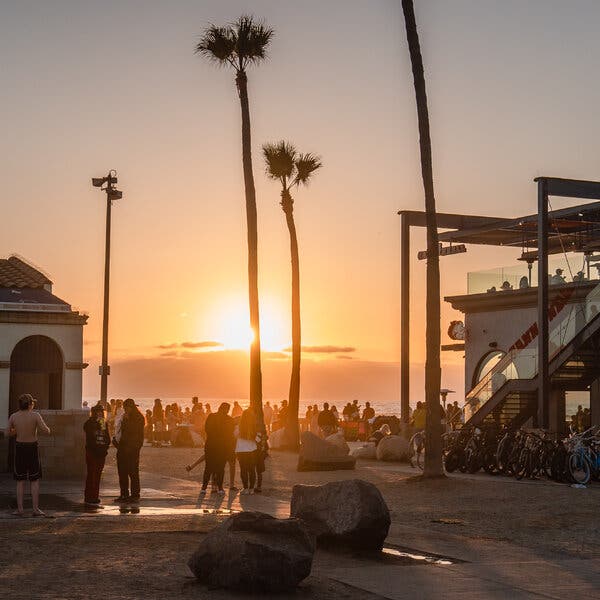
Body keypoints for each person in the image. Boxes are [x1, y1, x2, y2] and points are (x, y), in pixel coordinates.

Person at [6, 394, 50, 516]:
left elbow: (6, 433)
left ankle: (20, 509)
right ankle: (35, 509)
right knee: (34, 480)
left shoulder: (14, 416)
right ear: (30, 404)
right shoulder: (35, 415)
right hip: (32, 448)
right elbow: (46, 430)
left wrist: (16, 430)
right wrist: (39, 428)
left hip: (20, 448)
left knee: (20, 481)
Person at [114, 398, 145, 503]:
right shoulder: (124, 417)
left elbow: (136, 433)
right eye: (124, 407)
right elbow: (121, 431)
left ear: (132, 407)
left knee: (133, 472)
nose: (126, 409)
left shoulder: (139, 418)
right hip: (122, 448)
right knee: (122, 472)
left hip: (132, 450)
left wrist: (135, 448)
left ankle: (135, 494)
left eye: (127, 407)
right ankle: (124, 494)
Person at [201, 402, 234, 495]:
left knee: (208, 467)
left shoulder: (211, 416)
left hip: (210, 445)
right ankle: (220, 488)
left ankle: (204, 488)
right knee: (220, 468)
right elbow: (230, 433)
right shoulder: (229, 419)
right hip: (222, 447)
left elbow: (206, 429)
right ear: (227, 410)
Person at [83, 404, 111, 506]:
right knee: (92, 474)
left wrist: (104, 449)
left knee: (97, 475)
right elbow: (90, 436)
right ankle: (89, 497)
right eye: (99, 411)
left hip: (100, 453)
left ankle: (94, 496)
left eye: (101, 412)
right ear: (94, 412)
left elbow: (106, 436)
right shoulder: (89, 423)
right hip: (92, 452)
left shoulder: (102, 422)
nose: (100, 413)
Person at [235, 408, 257, 494]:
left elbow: (235, 435)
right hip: (252, 449)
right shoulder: (254, 428)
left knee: (243, 469)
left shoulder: (239, 427)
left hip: (241, 450)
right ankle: (251, 488)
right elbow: (257, 439)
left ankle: (245, 488)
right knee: (252, 469)